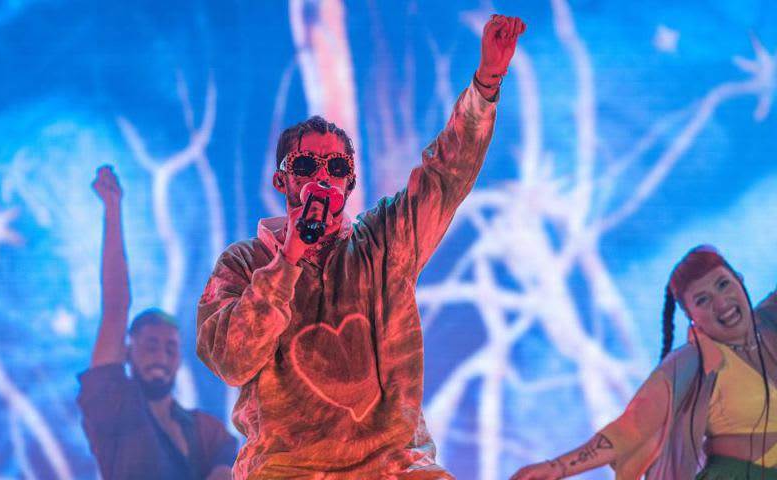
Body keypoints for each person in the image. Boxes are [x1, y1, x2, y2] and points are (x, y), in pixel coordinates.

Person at [195, 14, 526, 479]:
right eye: (305, 165)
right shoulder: (244, 263)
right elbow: (231, 361)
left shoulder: (382, 243)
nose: (321, 178)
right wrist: (287, 260)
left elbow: (445, 175)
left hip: (392, 464)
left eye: (335, 169)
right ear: (281, 180)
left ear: (349, 184)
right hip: (286, 468)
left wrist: (486, 83)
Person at [510, 245, 777, 480]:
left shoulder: (770, 322)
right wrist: (557, 467)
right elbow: (632, 428)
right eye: (702, 300)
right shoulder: (691, 364)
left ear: (739, 280)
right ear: (691, 316)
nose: (721, 303)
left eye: (723, 284)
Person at [78, 166, 237, 479]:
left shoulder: (208, 432)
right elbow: (115, 308)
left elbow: (225, 467)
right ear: (128, 352)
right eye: (150, 345)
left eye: (170, 348)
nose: (161, 357)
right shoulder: (113, 403)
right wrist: (113, 210)